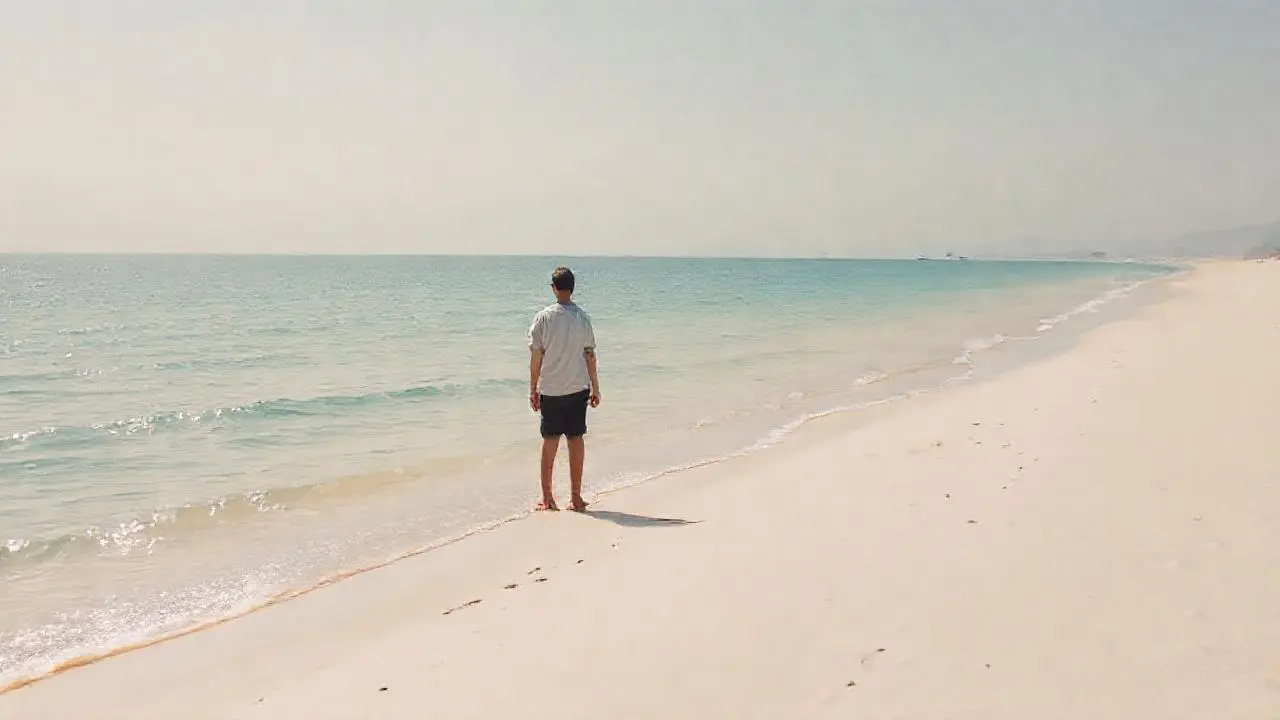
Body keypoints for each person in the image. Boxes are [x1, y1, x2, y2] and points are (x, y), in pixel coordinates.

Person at [528, 267, 600, 512]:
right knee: (575, 439)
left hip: (551, 389)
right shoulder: (582, 318)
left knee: (550, 441)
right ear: (572, 287)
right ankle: (576, 497)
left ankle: (548, 498)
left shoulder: (543, 318)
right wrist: (596, 387)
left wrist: (532, 389)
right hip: (578, 387)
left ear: (553, 288)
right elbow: (589, 354)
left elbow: (536, 356)